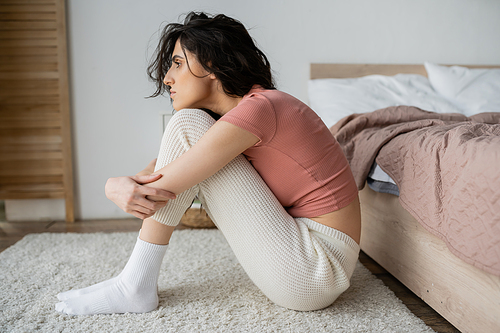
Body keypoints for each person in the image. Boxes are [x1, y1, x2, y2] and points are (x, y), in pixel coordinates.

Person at [55, 11, 361, 315]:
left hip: (316, 270)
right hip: (307, 261)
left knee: (186, 122)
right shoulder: (239, 118)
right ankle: (134, 284)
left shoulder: (263, 107)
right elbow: (161, 171)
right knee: (188, 125)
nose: (166, 78)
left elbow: (155, 185)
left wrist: (114, 186)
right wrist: (128, 184)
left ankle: (135, 286)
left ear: (211, 63)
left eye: (177, 63)